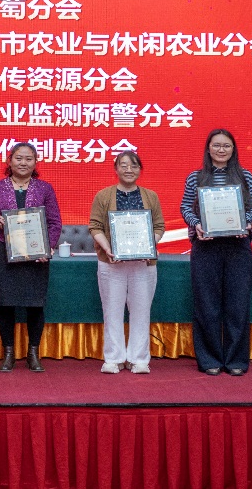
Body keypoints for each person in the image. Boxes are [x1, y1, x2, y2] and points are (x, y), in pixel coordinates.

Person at [178, 128, 252, 376]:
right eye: (216, 145)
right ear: (208, 148)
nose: (221, 150)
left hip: (238, 246)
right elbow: (186, 207)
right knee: (207, 304)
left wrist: (246, 222)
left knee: (238, 304)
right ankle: (209, 359)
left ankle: (236, 360)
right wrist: (196, 224)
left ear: (233, 149)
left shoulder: (245, 176)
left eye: (226, 146)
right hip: (206, 245)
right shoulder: (195, 177)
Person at [0, 143, 62, 373]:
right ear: (9, 161)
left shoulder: (45, 188)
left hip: (36, 255)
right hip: (3, 252)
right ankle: (9, 353)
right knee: (5, 304)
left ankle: (33, 354)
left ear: (36, 162)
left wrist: (48, 247)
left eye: (29, 159)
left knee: (35, 304)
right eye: (19, 158)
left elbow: (54, 222)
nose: (23, 163)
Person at [87, 151, 165, 374]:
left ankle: (139, 359)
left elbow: (159, 226)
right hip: (111, 262)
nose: (129, 170)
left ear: (140, 169)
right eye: (123, 165)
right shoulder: (103, 195)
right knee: (112, 310)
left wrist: (149, 245)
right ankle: (114, 358)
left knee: (141, 311)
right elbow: (95, 226)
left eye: (134, 165)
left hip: (143, 263)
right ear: (116, 169)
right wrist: (108, 249)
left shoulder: (151, 196)